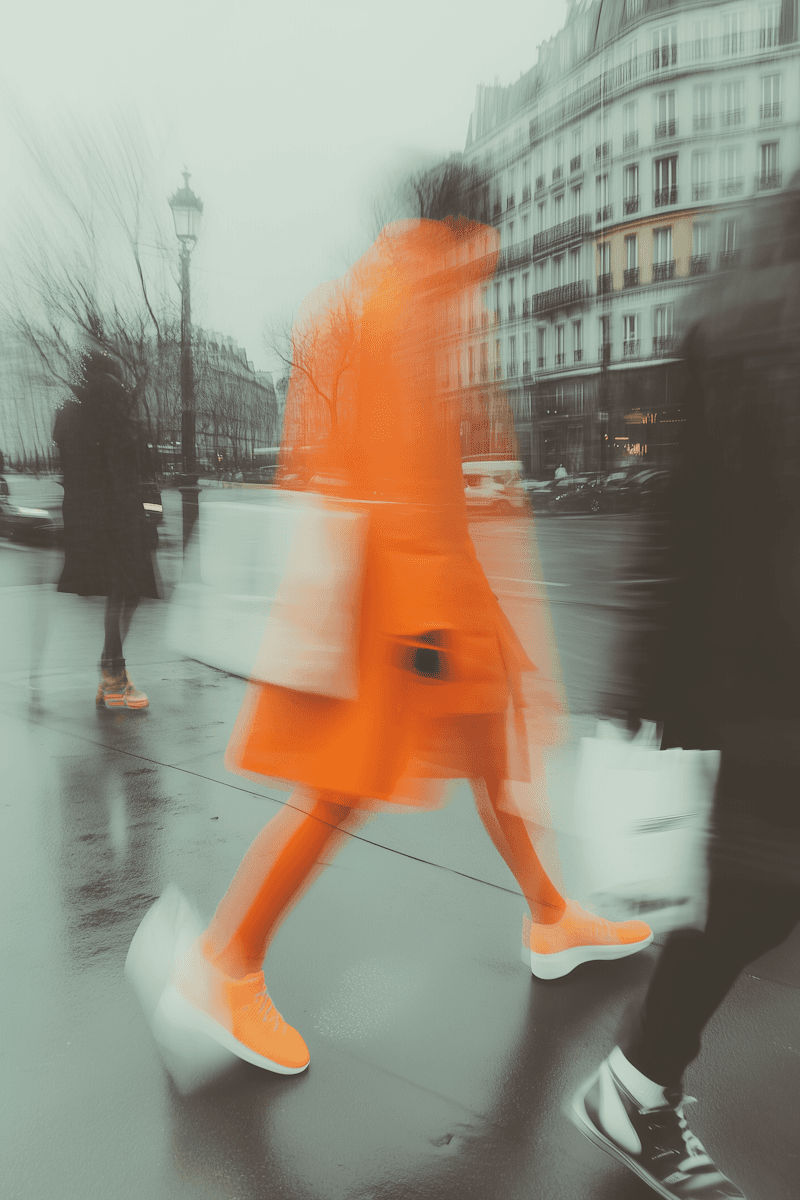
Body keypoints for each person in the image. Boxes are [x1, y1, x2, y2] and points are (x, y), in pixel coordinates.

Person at [129, 218, 652, 1079]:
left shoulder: (368, 300)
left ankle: (554, 914)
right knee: (341, 785)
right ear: (466, 229)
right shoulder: (412, 306)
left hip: (423, 589)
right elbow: (409, 476)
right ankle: (224, 964)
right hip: (412, 600)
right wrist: (431, 623)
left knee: (491, 749)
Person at [570, 182, 800, 1200]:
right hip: (765, 687)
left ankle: (634, 1085)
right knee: (750, 895)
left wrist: (635, 687)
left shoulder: (732, 307)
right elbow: (691, 517)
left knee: (752, 896)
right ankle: (632, 1087)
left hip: (745, 677)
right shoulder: (754, 321)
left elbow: (676, 522)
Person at [53, 341, 157, 708]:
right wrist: (149, 514)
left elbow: (75, 471)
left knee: (123, 594)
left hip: (91, 521)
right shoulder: (115, 407)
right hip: (121, 519)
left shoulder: (73, 414)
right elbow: (133, 472)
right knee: (125, 593)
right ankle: (114, 677)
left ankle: (111, 673)